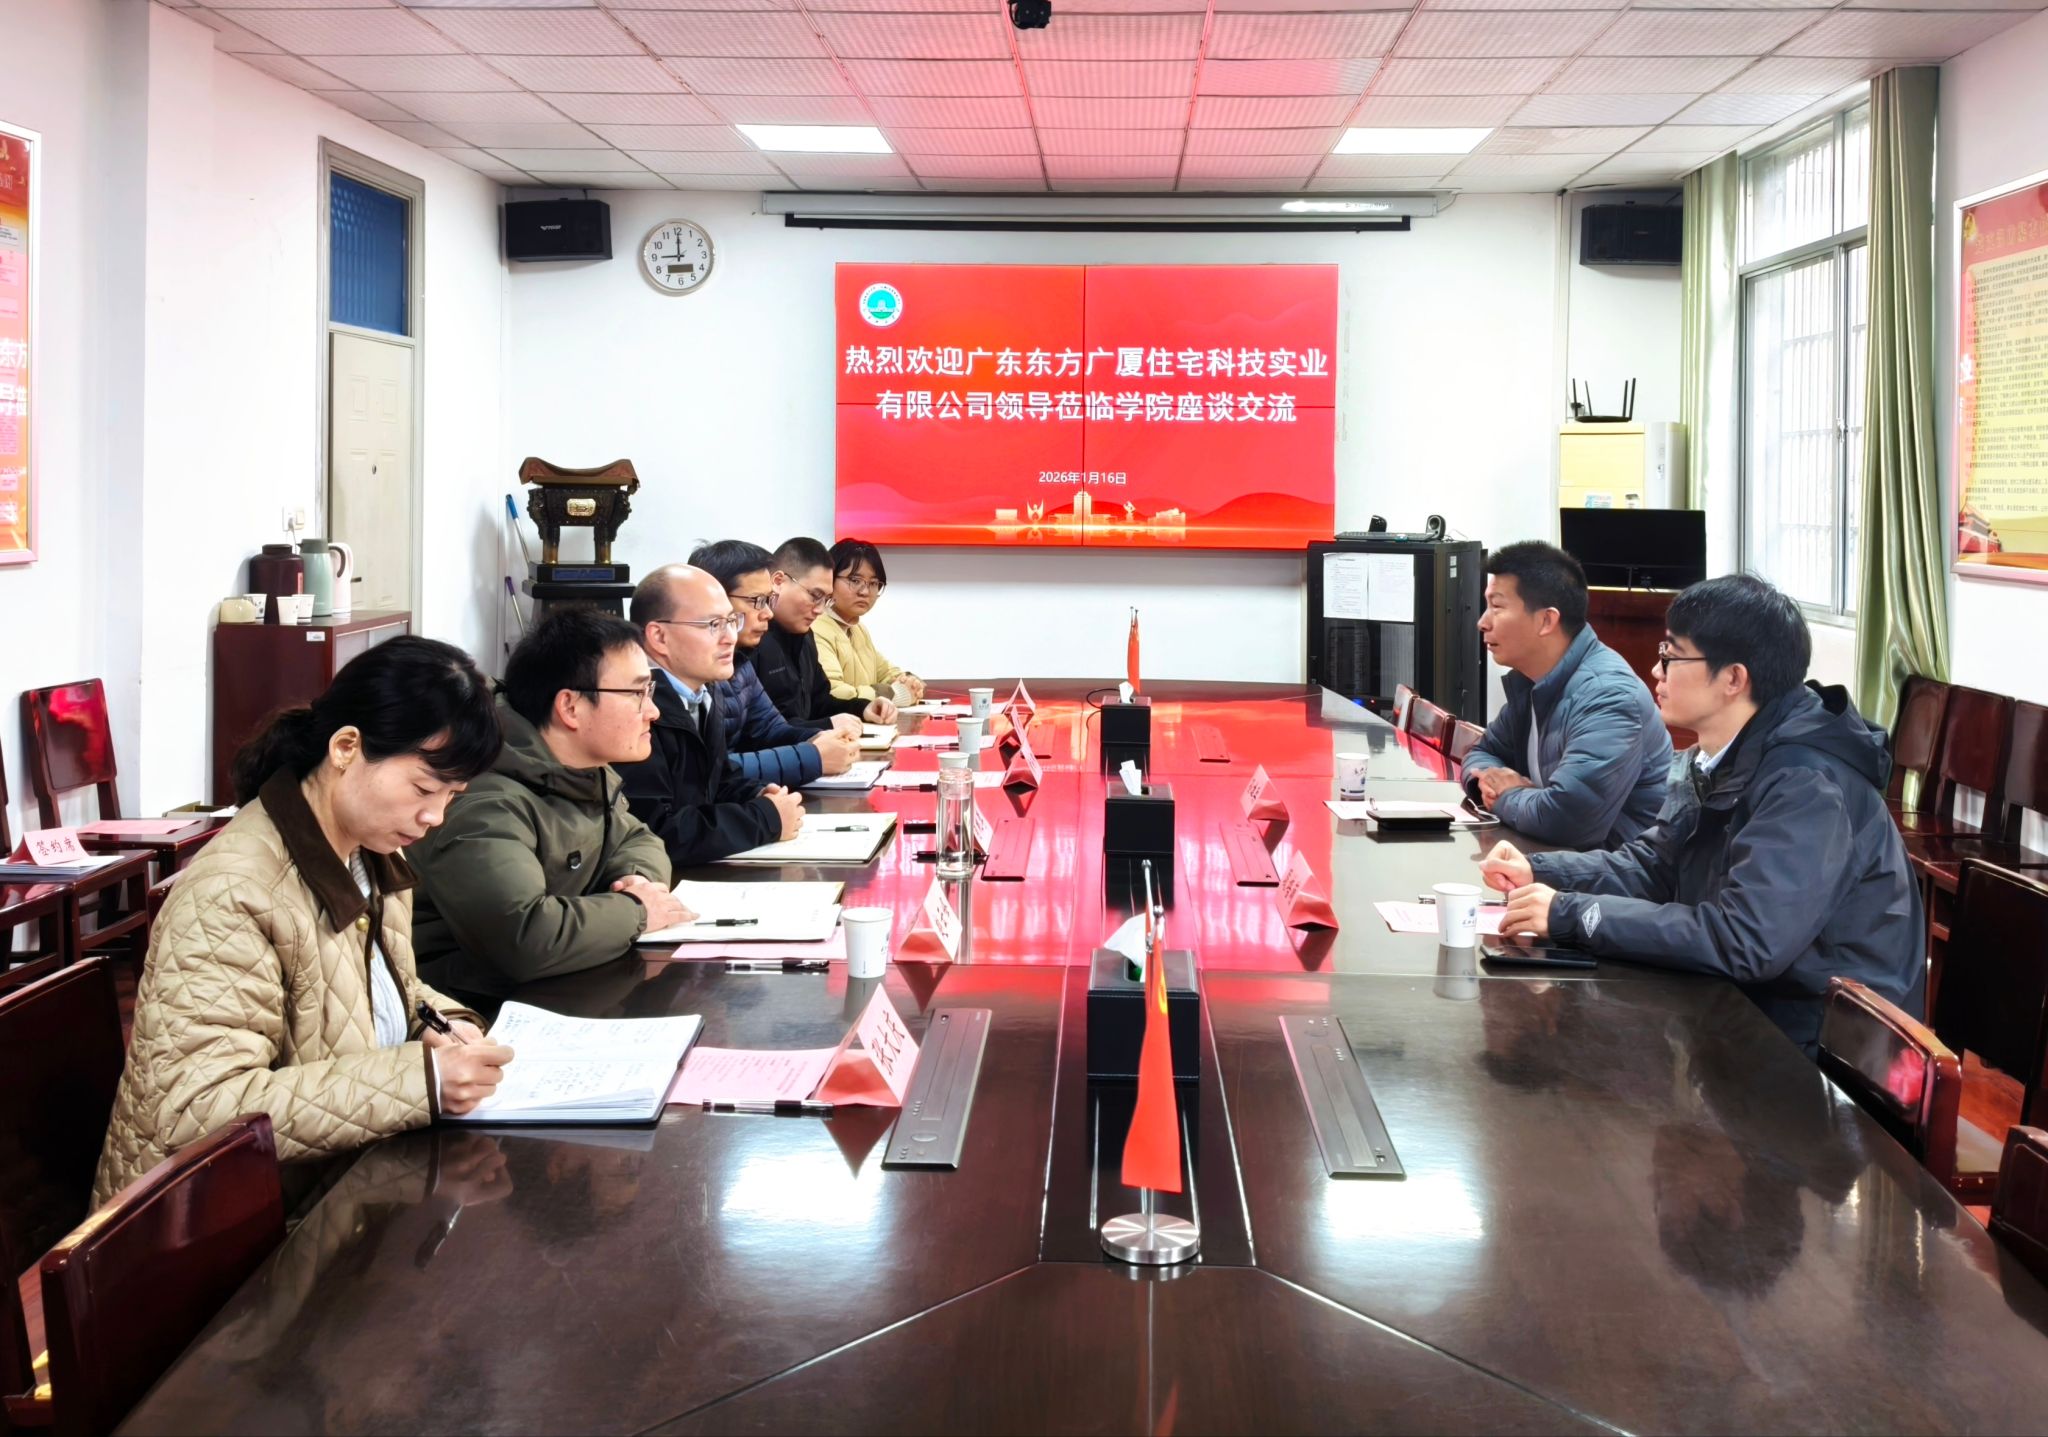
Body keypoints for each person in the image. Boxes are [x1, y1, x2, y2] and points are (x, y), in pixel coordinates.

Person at [94, 637, 515, 1205]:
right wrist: (422, 1081)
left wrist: (444, 1026)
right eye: (423, 788)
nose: (434, 816)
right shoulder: (234, 893)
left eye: (451, 795)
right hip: (213, 1225)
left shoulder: (370, 852)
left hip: (323, 1189)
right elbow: (197, 1110)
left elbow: (376, 992)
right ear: (346, 747)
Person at [1480, 574, 1925, 1054]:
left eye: (1672, 656)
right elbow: (1654, 867)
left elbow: (1744, 941)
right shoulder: (1715, 755)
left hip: (1821, 1050)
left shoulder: (1806, 785)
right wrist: (1539, 871)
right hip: (1747, 1011)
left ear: (1733, 679)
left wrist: (1572, 913)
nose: (1655, 670)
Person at [409, 607, 688, 1008]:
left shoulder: (577, 769)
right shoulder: (485, 801)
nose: (653, 711)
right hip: (478, 1014)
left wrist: (635, 881)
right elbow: (523, 940)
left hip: (560, 989)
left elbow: (637, 838)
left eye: (650, 691)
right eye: (636, 694)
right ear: (570, 707)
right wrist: (637, 911)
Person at [1461, 540, 1672, 848]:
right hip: (1553, 858)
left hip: (1612, 870)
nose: (1482, 622)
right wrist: (1487, 784)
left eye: (1497, 607)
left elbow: (1568, 821)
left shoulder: (1608, 696)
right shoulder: (1533, 681)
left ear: (1546, 620)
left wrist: (1508, 795)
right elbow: (1482, 751)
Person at [616, 563, 805, 869]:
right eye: (713, 625)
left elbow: (715, 781)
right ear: (659, 636)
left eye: (731, 621)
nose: (731, 637)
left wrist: (757, 793)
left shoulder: (704, 691)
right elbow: (654, 830)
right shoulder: (634, 707)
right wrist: (763, 818)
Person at [689, 539, 862, 788]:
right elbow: (710, 772)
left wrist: (822, 738)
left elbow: (771, 729)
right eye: (757, 601)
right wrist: (811, 756)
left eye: (768, 600)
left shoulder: (740, 661)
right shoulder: (681, 677)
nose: (768, 613)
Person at [752, 535, 899, 729]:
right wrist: (829, 725)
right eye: (815, 595)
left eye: (826, 599)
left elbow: (820, 703)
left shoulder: (805, 636)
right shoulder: (753, 641)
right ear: (779, 582)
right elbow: (766, 730)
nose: (820, 610)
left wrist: (863, 708)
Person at [814, 537, 926, 704]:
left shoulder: (858, 628)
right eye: (855, 580)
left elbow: (886, 673)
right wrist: (895, 694)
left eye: (873, 583)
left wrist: (910, 682)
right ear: (829, 579)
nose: (865, 591)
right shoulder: (815, 627)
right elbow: (834, 693)